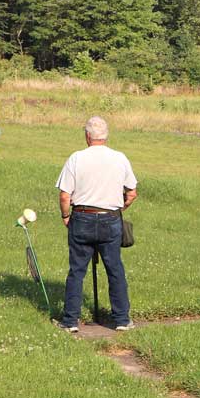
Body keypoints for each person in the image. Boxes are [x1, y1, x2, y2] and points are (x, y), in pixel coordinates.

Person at [55, 116, 138, 332]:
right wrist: (119, 209)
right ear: (106, 136)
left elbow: (65, 195)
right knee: (115, 268)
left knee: (77, 270)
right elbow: (132, 193)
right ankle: (121, 319)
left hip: (82, 216)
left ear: (87, 135)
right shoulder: (119, 158)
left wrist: (66, 216)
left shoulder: (76, 158)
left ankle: (70, 321)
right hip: (110, 218)